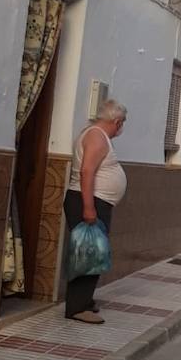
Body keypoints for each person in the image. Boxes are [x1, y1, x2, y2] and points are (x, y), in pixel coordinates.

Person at [63, 100, 128, 324]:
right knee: (89, 255)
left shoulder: (96, 135)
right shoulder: (97, 137)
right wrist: (89, 207)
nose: (122, 128)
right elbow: (86, 172)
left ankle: (84, 301)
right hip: (89, 202)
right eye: (122, 123)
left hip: (95, 202)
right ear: (117, 121)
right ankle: (77, 307)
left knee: (93, 253)